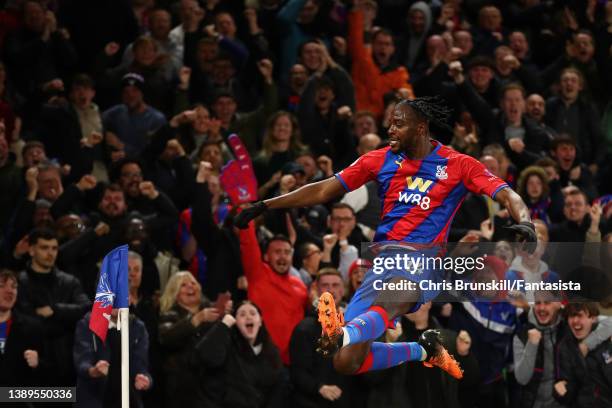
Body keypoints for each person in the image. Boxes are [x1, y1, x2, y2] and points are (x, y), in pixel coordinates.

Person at [235, 97, 537, 379]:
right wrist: (265, 204)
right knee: (346, 362)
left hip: (424, 260)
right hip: (382, 262)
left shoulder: (458, 164)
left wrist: (525, 220)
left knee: (394, 295)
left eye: (398, 123)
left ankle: (344, 332)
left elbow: (506, 193)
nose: (390, 129)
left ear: (420, 128)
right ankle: (423, 350)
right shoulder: (379, 160)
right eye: (389, 123)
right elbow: (325, 189)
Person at [193, 301, 283, 408]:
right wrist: (224, 325)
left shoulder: (271, 352)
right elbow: (206, 357)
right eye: (242, 314)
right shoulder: (227, 345)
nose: (248, 317)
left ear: (260, 321)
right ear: (235, 322)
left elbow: (275, 391)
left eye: (253, 313)